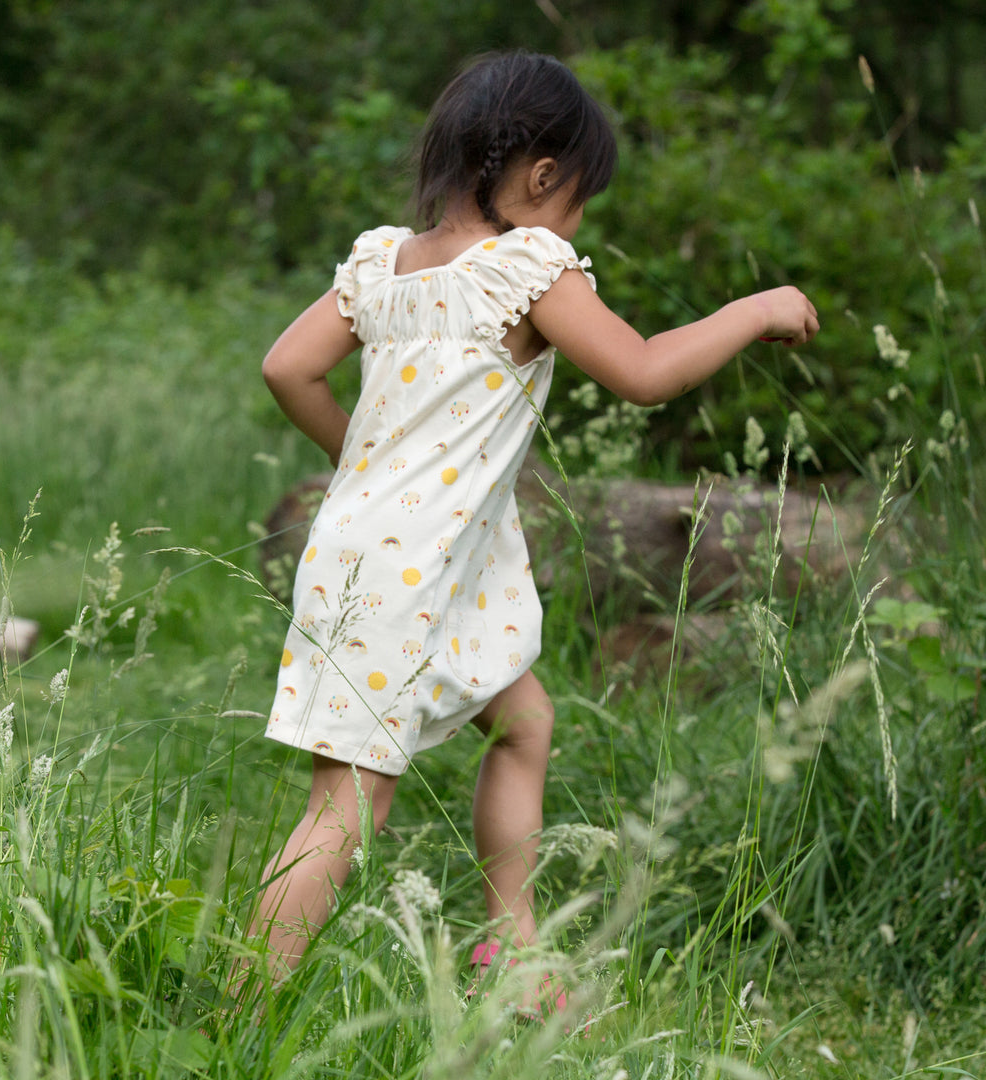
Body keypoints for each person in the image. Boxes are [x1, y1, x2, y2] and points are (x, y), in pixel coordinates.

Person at [244, 50, 818, 997]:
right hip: (412, 572)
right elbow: (640, 373)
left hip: (373, 555)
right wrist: (754, 310)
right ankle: (239, 1012)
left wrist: (365, 466)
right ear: (541, 177)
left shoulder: (382, 264)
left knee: (524, 721)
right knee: (345, 811)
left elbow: (285, 368)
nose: (576, 225)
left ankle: (514, 953)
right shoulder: (525, 264)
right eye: (579, 200)